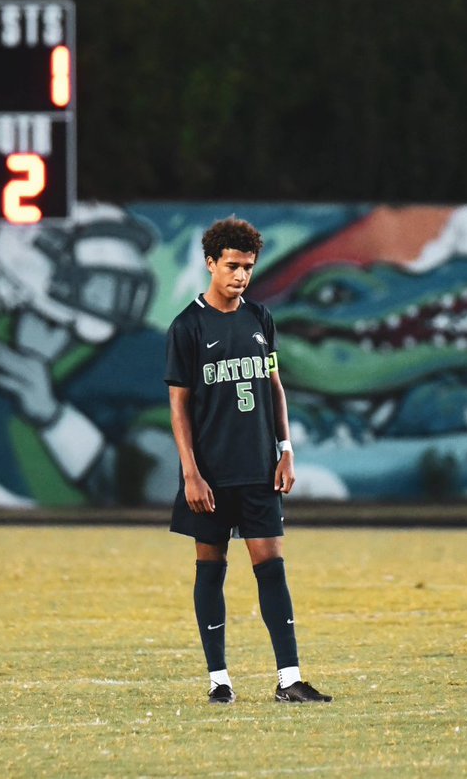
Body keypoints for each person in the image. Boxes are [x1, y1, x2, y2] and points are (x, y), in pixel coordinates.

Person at [165, 216, 332, 704]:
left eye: (248, 268)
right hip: (211, 475)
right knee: (210, 567)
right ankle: (219, 680)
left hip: (259, 468)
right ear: (210, 264)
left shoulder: (260, 319)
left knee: (271, 565)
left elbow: (274, 387)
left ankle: (289, 679)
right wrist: (191, 473)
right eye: (232, 266)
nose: (240, 276)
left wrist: (285, 449)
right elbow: (178, 406)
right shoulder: (187, 327)